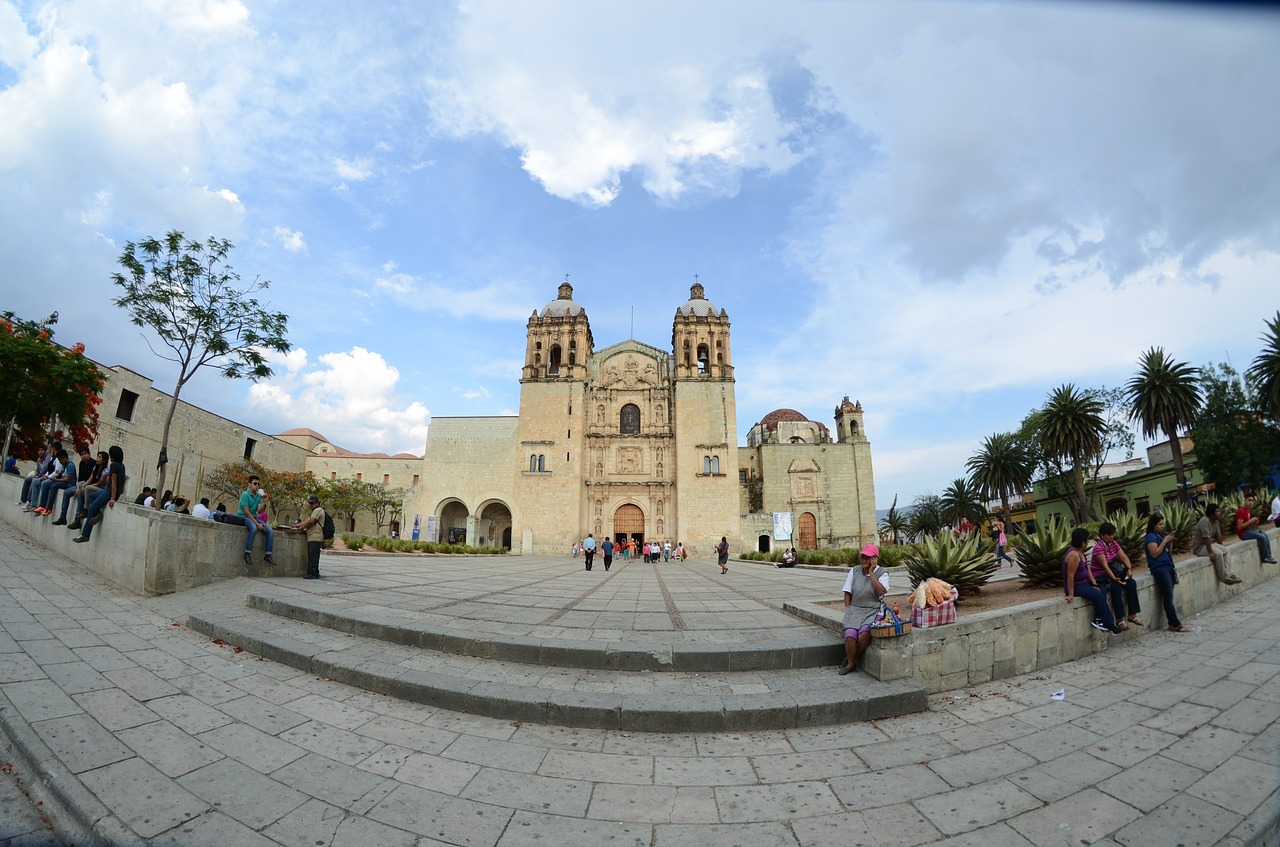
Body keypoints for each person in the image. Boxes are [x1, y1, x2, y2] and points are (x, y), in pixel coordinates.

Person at [839, 544, 889, 675]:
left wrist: (872, 573)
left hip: (873, 610)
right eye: (862, 557)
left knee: (864, 634)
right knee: (850, 635)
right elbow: (847, 593)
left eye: (867, 558)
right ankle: (851, 663)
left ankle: (852, 659)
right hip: (855, 609)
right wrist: (848, 610)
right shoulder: (854, 571)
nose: (864, 561)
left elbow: (881, 592)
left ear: (874, 559)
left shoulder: (882, 573)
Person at [1063, 527, 1121, 634]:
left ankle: (1098, 619)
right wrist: (1071, 594)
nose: (1088, 542)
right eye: (1087, 540)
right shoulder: (1073, 555)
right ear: (1083, 542)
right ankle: (1110, 624)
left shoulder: (1080, 553)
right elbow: (1070, 576)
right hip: (1076, 586)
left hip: (1085, 583)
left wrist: (1095, 584)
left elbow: (1087, 569)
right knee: (1098, 596)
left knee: (1101, 590)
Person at [1093, 521, 1142, 630]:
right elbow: (1105, 566)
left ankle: (1132, 614)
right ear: (1102, 535)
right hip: (1102, 574)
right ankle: (1120, 619)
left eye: (1112, 534)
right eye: (1109, 535)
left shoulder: (1114, 543)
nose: (1111, 536)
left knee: (1131, 583)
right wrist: (1114, 579)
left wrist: (1129, 569)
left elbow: (1123, 557)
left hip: (1115, 572)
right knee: (1116, 587)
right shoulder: (1098, 548)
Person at [1146, 513, 1189, 632]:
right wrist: (1164, 541)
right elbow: (1154, 553)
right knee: (1168, 597)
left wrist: (1169, 542)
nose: (1162, 526)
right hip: (1160, 569)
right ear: (1153, 525)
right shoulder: (1151, 538)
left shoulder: (1161, 536)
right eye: (1159, 524)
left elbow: (1167, 552)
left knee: (1169, 595)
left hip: (1168, 566)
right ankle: (1175, 624)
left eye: (1162, 524)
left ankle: (1172, 622)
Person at [73, 445, 124, 544]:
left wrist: (113, 498)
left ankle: (85, 535)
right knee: (91, 496)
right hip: (109, 492)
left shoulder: (114, 465)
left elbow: (114, 482)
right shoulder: (121, 466)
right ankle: (98, 514)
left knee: (91, 509)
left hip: (108, 492)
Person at [1193, 504, 1240, 584]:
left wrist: (1221, 546)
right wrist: (1211, 552)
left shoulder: (1216, 522)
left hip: (1207, 545)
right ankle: (1223, 577)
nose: (1220, 513)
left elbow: (1218, 536)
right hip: (1200, 548)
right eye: (1217, 511)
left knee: (1226, 550)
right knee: (1218, 553)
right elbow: (1206, 538)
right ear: (1212, 514)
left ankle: (1229, 574)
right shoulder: (1205, 521)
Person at [64, 451, 106, 530]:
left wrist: (86, 486)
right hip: (89, 486)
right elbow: (89, 479)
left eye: (99, 457)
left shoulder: (105, 470)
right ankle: (76, 519)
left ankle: (85, 509)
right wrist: (82, 486)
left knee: (86, 489)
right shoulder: (95, 467)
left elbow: (99, 483)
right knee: (80, 490)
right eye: (81, 454)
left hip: (100, 489)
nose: (97, 458)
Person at [239, 475, 274, 567]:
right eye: (255, 483)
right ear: (249, 484)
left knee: (270, 531)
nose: (257, 486)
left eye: (258, 484)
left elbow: (258, 510)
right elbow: (246, 512)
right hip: (244, 516)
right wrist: (257, 523)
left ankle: (268, 554)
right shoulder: (245, 495)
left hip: (254, 516)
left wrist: (264, 502)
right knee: (253, 528)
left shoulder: (257, 496)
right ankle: (247, 553)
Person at [288, 494, 325, 579]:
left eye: (312, 503)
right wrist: (298, 526)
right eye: (309, 503)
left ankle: (311, 573)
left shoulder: (318, 510)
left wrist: (298, 526)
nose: (310, 505)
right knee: (313, 555)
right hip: (312, 536)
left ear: (317, 503)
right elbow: (307, 521)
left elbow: (310, 522)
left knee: (313, 556)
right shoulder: (314, 512)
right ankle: (315, 572)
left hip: (316, 536)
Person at [32, 448, 75, 516]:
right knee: (46, 484)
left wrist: (56, 480)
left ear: (65, 458)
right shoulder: (65, 465)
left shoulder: (70, 465)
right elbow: (64, 475)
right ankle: (42, 506)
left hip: (69, 484)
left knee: (54, 486)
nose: (60, 462)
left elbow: (68, 479)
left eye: (60, 460)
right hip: (64, 482)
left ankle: (49, 508)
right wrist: (60, 474)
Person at [1235, 495, 1276, 564]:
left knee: (1265, 534)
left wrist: (1253, 522)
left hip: (1248, 530)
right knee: (1262, 537)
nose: (1251, 502)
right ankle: (1264, 558)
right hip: (1243, 533)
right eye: (1249, 500)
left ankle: (1268, 556)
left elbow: (1247, 523)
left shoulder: (1248, 510)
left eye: (1252, 501)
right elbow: (1239, 527)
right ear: (1245, 500)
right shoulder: (1241, 511)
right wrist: (1251, 521)